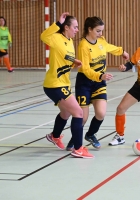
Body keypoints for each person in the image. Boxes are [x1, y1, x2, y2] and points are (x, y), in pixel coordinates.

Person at [65, 16, 129, 151]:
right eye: (98, 31)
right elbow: (86, 69)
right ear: (89, 29)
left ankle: (90, 134)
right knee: (82, 117)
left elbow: (108, 47)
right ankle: (74, 139)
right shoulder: (83, 46)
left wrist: (122, 52)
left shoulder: (101, 41)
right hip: (85, 83)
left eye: (101, 31)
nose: (101, 34)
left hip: (99, 83)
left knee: (101, 113)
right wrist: (101, 75)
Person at [40, 12, 94, 158]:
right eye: (75, 27)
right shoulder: (56, 37)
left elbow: (63, 59)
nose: (77, 30)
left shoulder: (70, 41)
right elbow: (43, 36)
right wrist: (58, 23)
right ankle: (78, 148)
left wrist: (73, 63)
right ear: (66, 27)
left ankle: (55, 136)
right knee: (78, 113)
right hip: (54, 85)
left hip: (63, 84)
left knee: (66, 112)